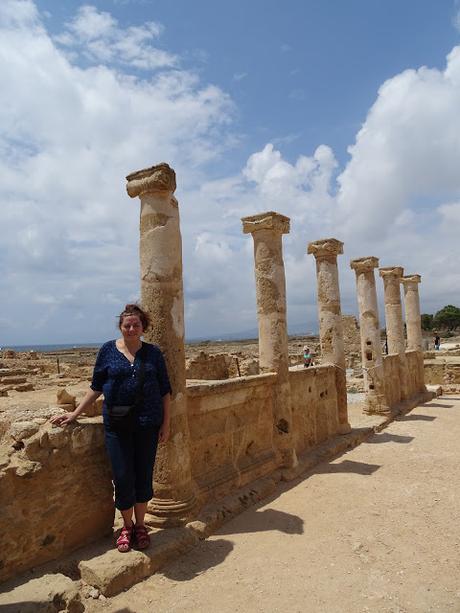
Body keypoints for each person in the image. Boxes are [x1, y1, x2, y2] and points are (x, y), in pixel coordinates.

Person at [51, 304, 171, 553]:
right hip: (117, 426)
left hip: (148, 424)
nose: (131, 328)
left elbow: (164, 391)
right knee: (123, 476)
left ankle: (140, 526)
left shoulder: (153, 354)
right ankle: (126, 527)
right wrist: (74, 413)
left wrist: (166, 424)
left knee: (143, 476)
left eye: (136, 324)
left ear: (143, 327)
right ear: (120, 326)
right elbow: (96, 386)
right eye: (127, 324)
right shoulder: (107, 350)